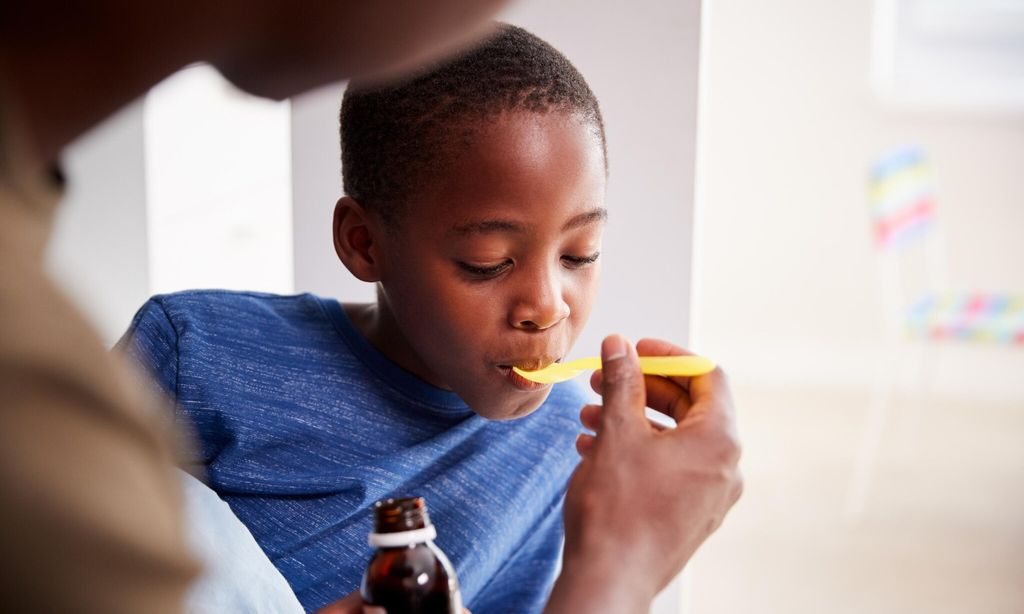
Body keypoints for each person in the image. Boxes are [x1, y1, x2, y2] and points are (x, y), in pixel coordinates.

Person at [0, 3, 740, 613]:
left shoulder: (562, 460)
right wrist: (625, 568)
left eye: (580, 254)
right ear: (363, 244)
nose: (547, 306)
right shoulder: (199, 350)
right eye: (487, 263)